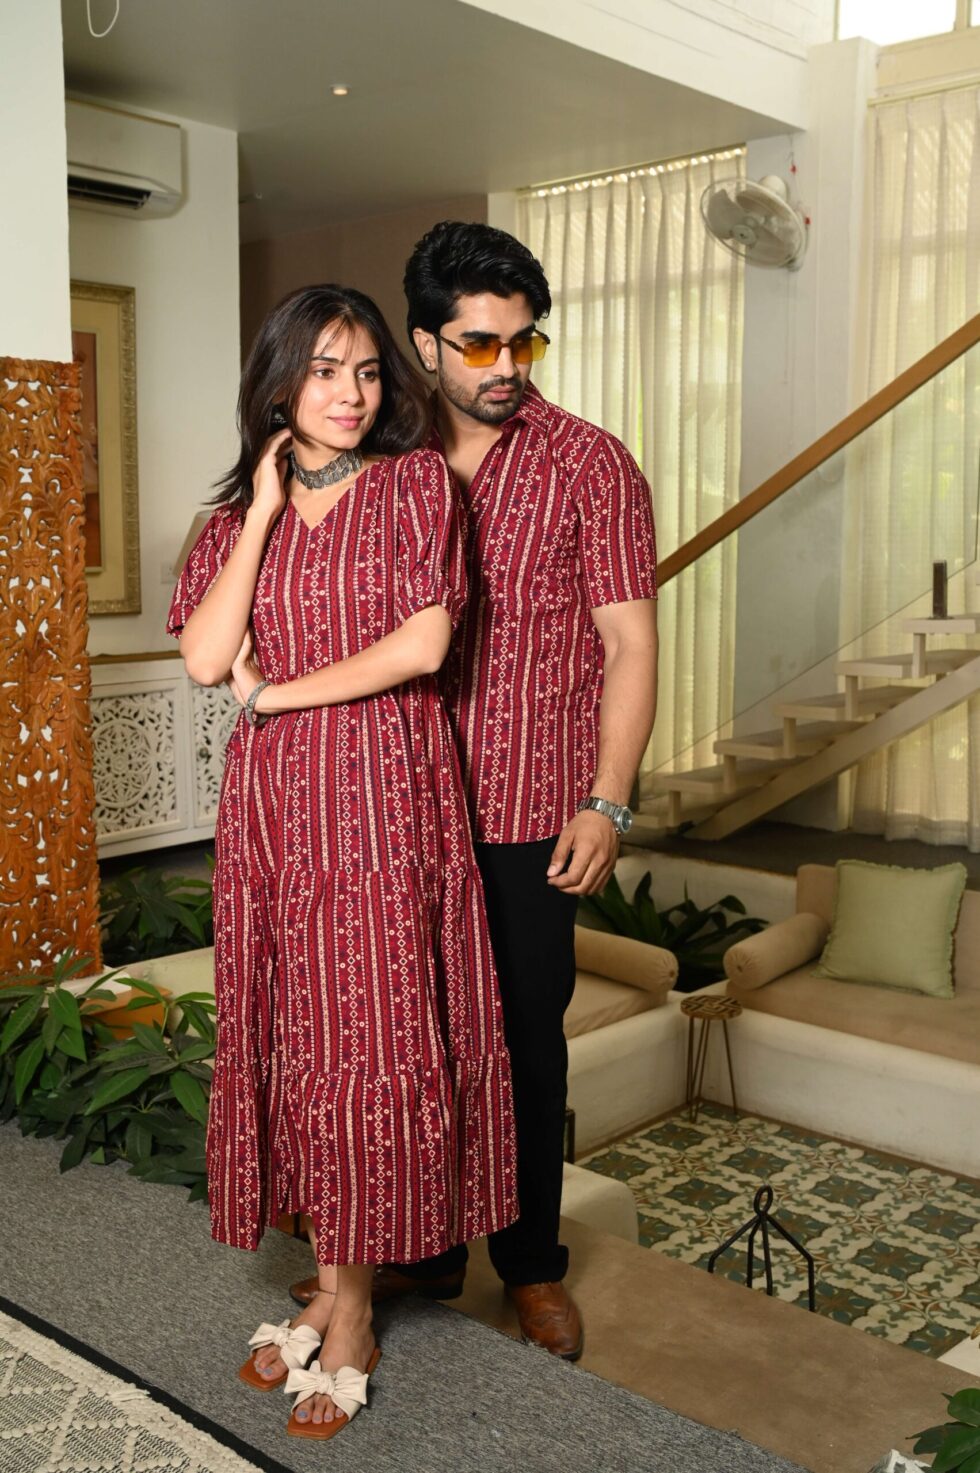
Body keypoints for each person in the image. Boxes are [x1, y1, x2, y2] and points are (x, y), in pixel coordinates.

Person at [290, 224, 659, 1360]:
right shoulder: (375, 454)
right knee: (414, 1037)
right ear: (424, 342)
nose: (506, 366)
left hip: (529, 808)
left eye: (523, 342)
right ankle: (428, 1247)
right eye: (480, 344)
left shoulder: (590, 464)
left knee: (527, 1040)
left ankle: (531, 1263)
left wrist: (606, 800)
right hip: (391, 802)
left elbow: (630, 644)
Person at [167, 284, 517, 1440]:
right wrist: (263, 511)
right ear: (279, 383)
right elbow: (205, 655)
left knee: (366, 1040)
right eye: (325, 370)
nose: (351, 394)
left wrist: (275, 695)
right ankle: (327, 1283)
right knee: (300, 1038)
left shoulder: (417, 486)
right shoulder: (237, 516)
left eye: (366, 372)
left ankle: (353, 1310)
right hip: (275, 819)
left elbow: (421, 644)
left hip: (380, 803)